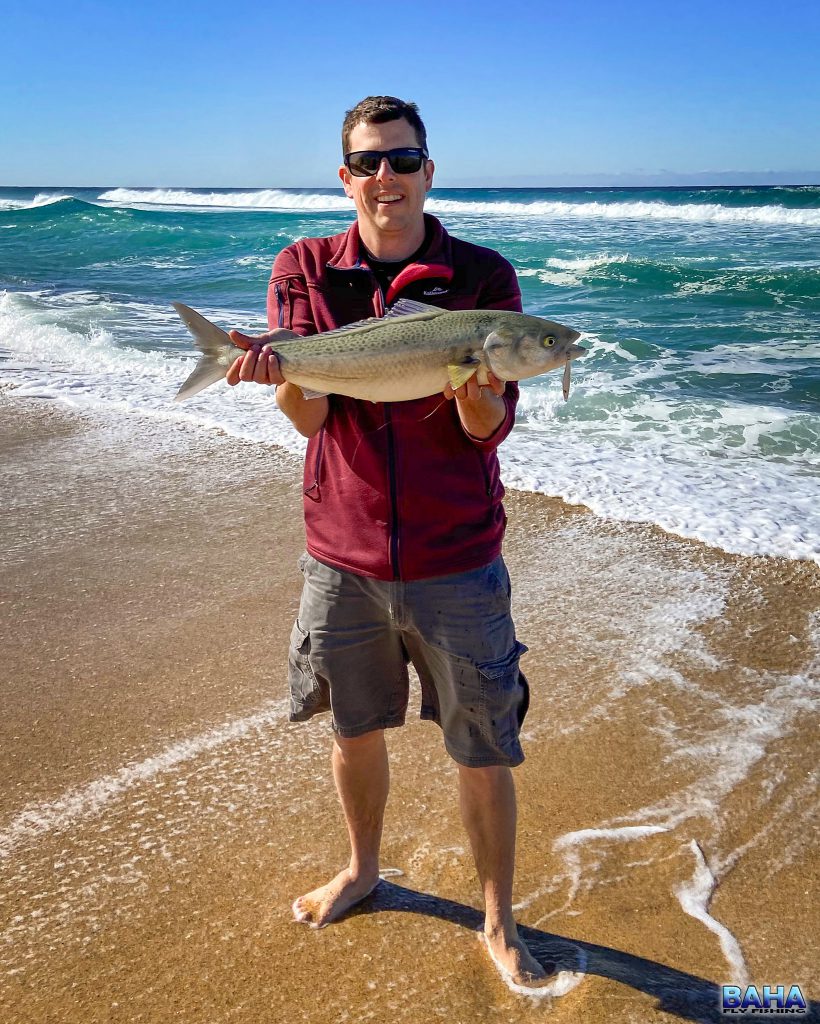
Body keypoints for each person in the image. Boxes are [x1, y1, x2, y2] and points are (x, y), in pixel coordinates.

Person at [226, 96, 550, 987]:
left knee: (483, 745)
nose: (387, 179)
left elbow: (489, 430)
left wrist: (477, 392)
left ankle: (497, 920)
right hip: (343, 556)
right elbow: (311, 418)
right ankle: (366, 870)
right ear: (346, 178)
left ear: (429, 172)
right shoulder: (304, 268)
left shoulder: (484, 277)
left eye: (403, 161)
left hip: (459, 557)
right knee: (355, 727)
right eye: (369, 163)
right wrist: (281, 375)